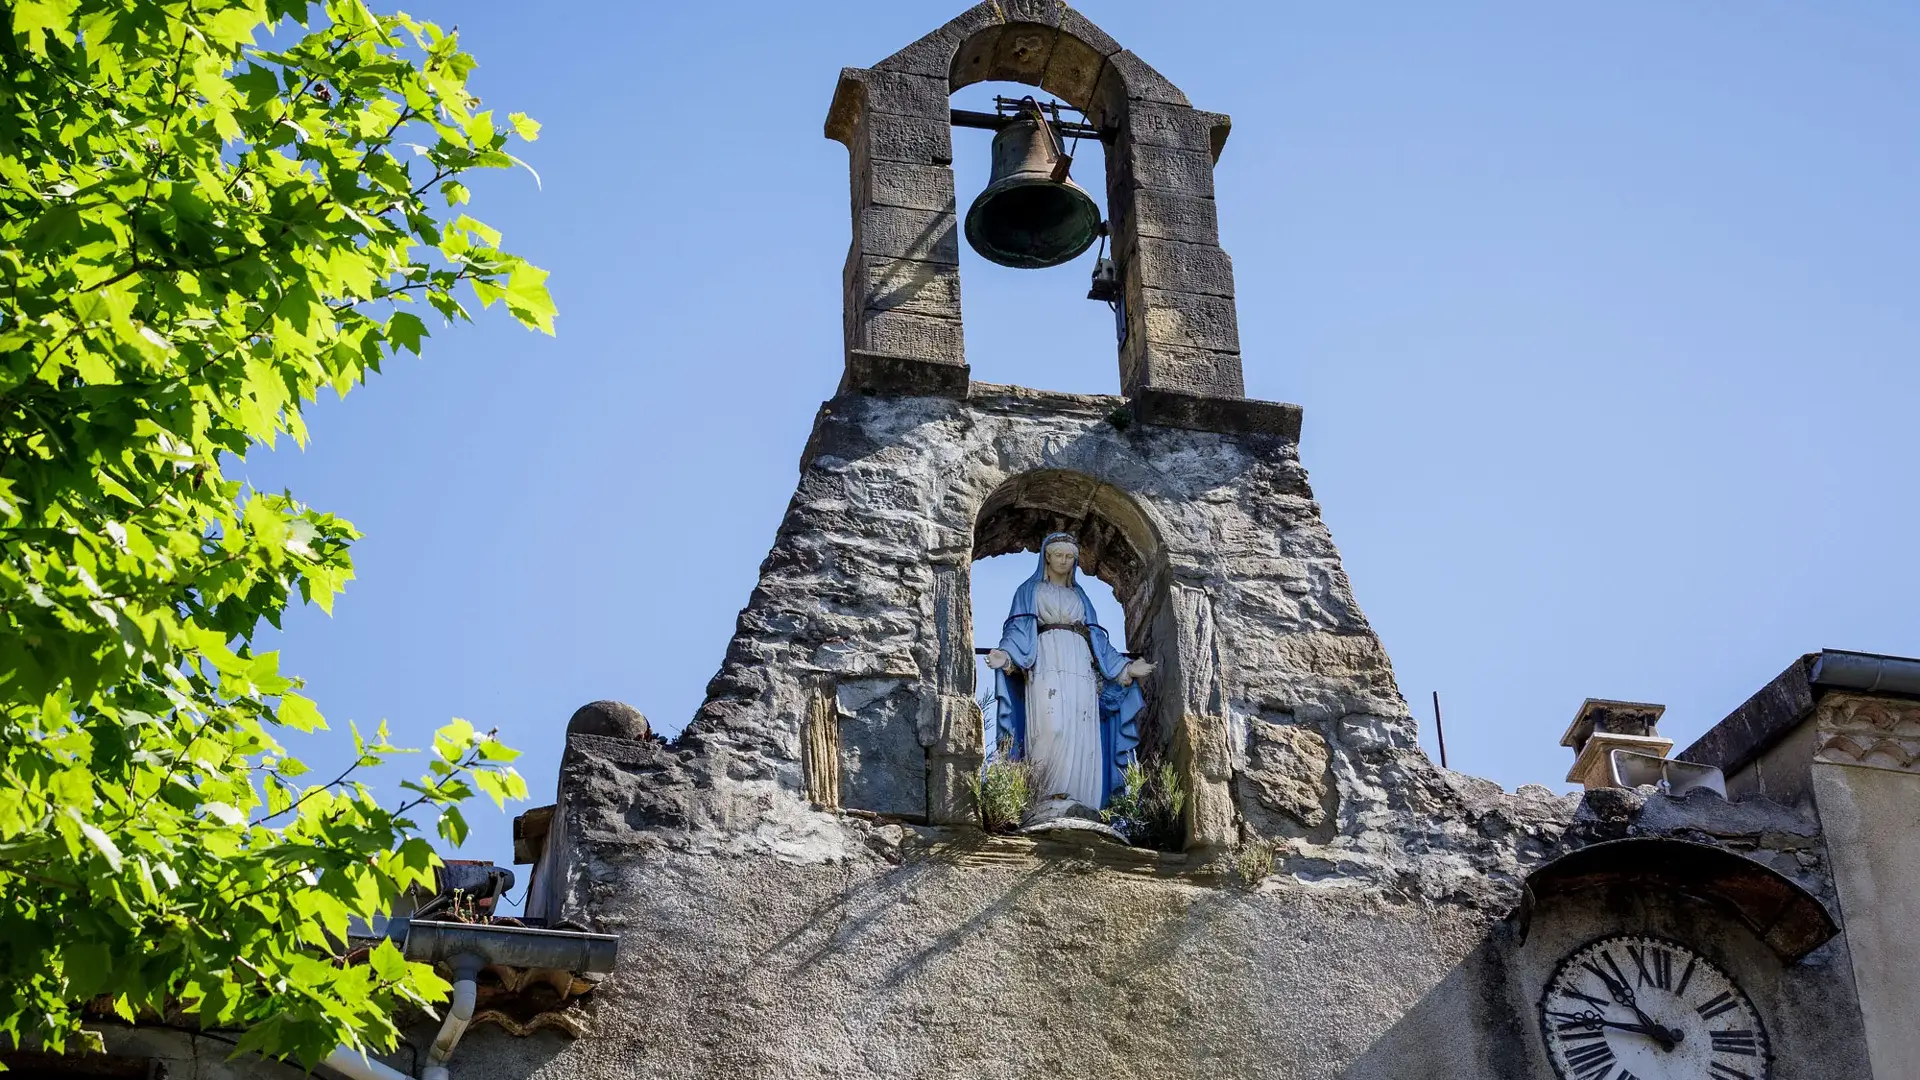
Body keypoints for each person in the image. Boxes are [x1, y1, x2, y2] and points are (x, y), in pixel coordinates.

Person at [985, 532, 1153, 809]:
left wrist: (1125, 668)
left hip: (1080, 665)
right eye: (1058, 555)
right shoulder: (1030, 591)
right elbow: (1018, 630)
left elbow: (1098, 641)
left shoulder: (1080, 597)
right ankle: (1043, 798)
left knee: (1082, 730)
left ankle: (1082, 801)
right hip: (1046, 662)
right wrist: (1006, 655)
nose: (1063, 561)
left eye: (1069, 557)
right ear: (1046, 557)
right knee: (1053, 727)